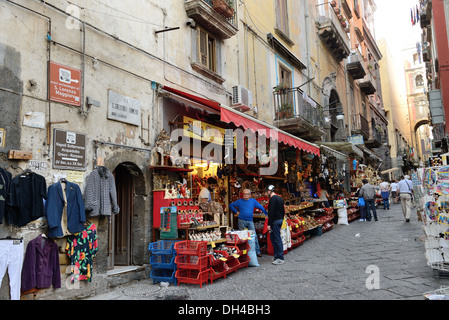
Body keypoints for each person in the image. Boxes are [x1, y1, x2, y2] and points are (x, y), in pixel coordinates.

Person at [229, 189, 268, 257]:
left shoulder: (253, 201)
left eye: (247, 194)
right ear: (242, 195)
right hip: (241, 221)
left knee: (254, 236)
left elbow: (261, 207)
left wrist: (266, 214)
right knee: (242, 237)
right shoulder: (239, 201)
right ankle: (244, 251)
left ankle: (257, 251)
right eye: (244, 194)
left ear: (250, 195)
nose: (245, 195)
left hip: (250, 221)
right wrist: (236, 212)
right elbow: (231, 205)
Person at [266, 185, 285, 265]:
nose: (266, 193)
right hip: (280, 220)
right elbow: (283, 210)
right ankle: (277, 256)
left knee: (276, 239)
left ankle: (280, 258)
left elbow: (271, 212)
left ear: (269, 191)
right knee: (274, 238)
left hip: (275, 221)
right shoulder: (279, 198)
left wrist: (269, 224)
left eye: (266, 191)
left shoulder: (272, 199)